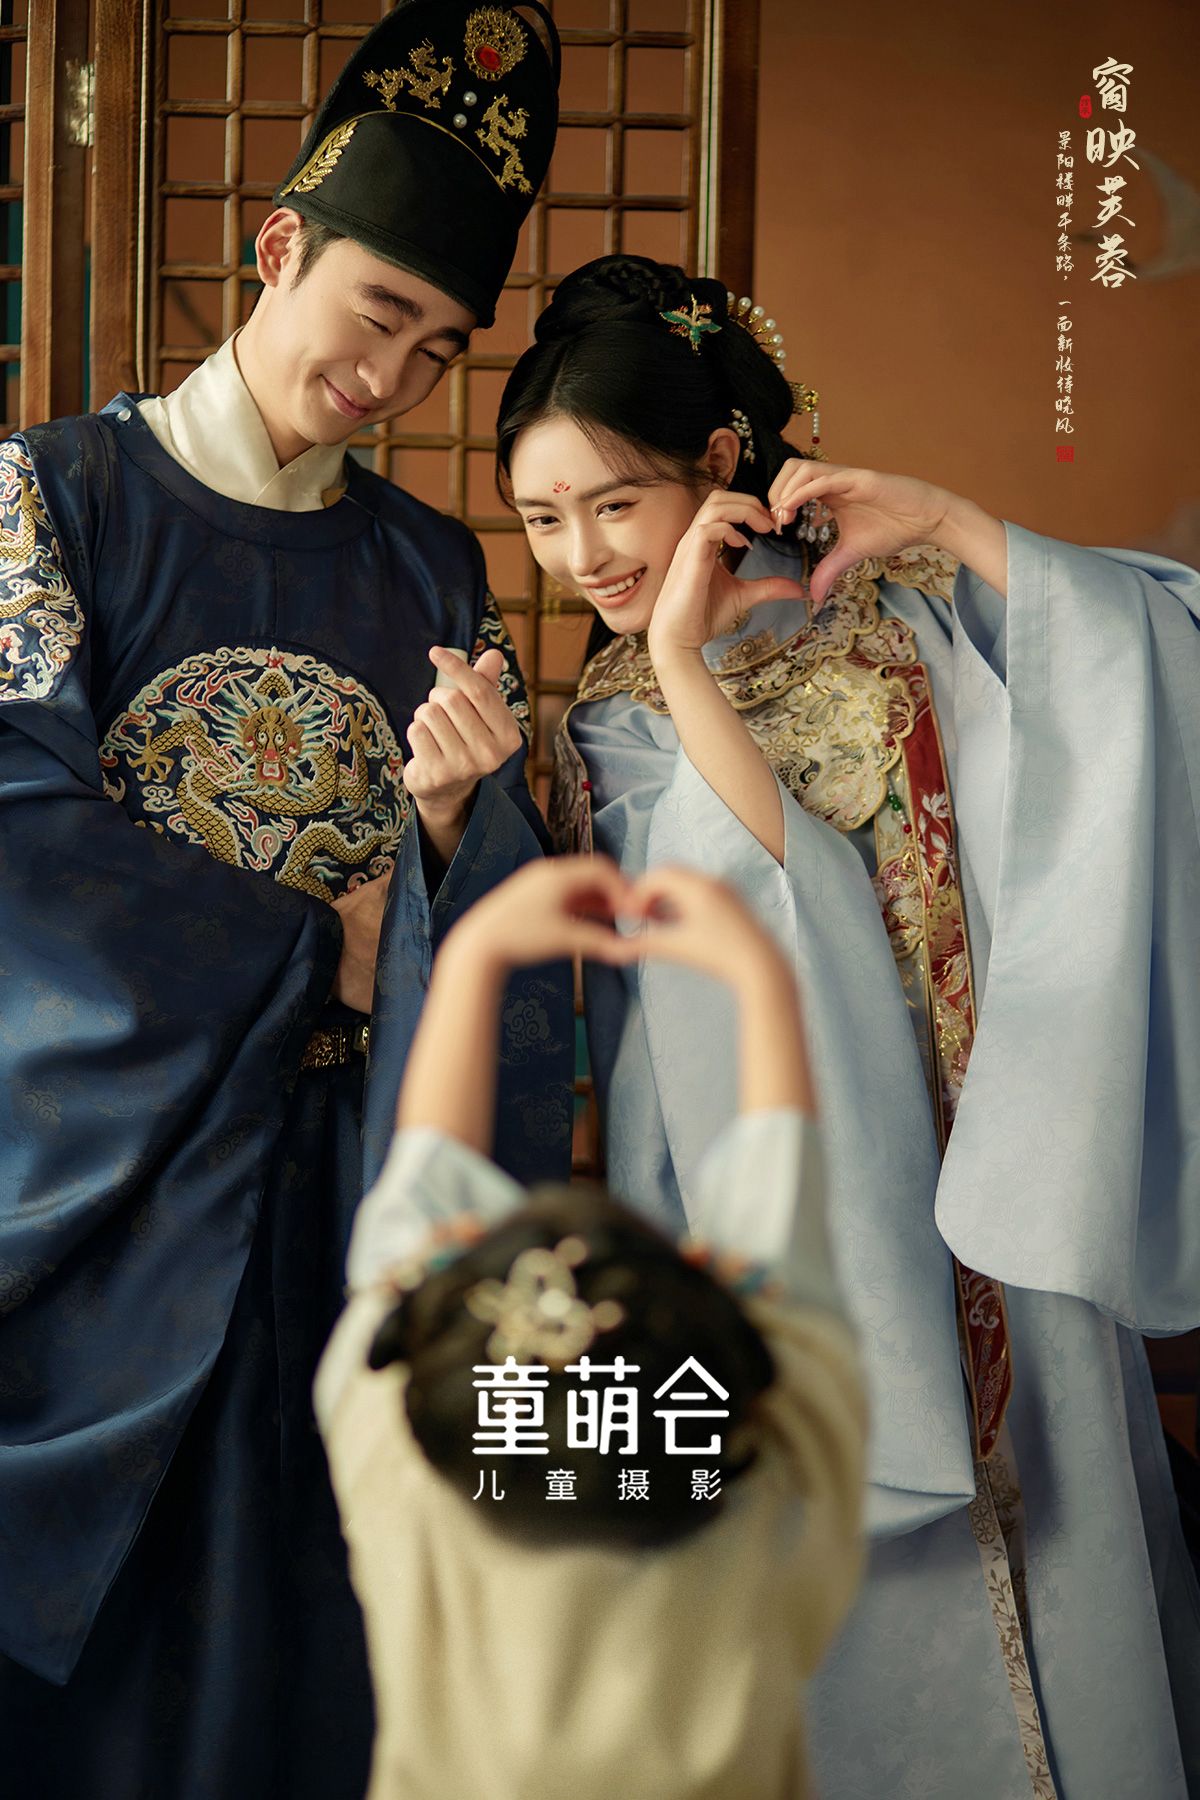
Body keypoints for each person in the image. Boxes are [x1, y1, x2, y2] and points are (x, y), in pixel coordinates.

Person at [495, 254, 1200, 1799]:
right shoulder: (610, 715)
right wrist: (677, 667)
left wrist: (949, 520)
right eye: (541, 520)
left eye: (614, 503)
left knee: (1069, 1580)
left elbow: (1150, 673)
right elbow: (736, 935)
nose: (580, 556)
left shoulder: (911, 605)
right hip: (795, 1214)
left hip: (1000, 1175)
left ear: (721, 459)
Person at [0, 7, 573, 1797]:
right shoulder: (48, 499)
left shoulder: (432, 563)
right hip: (114, 1185)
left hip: (343, 1184)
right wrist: (314, 944)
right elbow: (15, 825)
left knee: (326, 1649)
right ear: (278, 251)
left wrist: (459, 836)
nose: (393, 374)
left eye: (439, 346)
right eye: (377, 313)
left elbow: (491, 905)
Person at [315, 854, 867, 1800]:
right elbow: (789, 1244)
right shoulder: (770, 1470)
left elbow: (417, 1194)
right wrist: (760, 973)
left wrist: (475, 953)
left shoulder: (405, 1467)